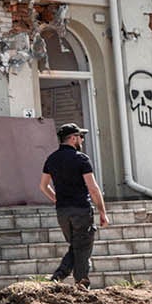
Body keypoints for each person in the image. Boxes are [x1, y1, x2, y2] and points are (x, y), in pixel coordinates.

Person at [40, 123, 110, 287]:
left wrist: (57, 199)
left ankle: (67, 280)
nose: (82, 140)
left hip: (62, 212)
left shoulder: (51, 159)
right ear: (72, 138)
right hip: (80, 210)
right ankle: (72, 281)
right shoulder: (81, 158)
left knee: (77, 246)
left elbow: (43, 186)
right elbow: (93, 188)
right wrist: (102, 212)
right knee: (82, 247)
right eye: (80, 136)